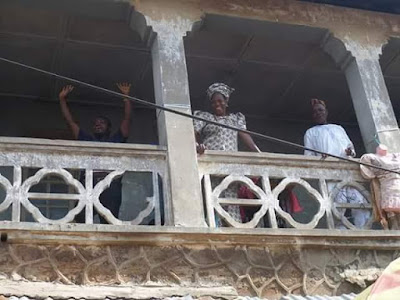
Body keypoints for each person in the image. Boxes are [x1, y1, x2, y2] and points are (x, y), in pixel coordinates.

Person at [59, 83, 132, 223]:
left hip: (110, 186)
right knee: (80, 221)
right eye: (96, 123)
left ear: (109, 128)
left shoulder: (116, 140)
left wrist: (126, 97)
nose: (98, 124)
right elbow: (70, 121)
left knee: (109, 224)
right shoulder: (86, 139)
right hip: (88, 185)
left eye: (102, 123)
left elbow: (127, 119)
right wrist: (62, 99)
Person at [193, 83, 260, 225]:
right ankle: (213, 227)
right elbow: (195, 133)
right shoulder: (205, 117)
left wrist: (258, 152)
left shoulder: (235, 119)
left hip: (231, 167)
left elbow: (244, 135)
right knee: (212, 196)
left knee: (231, 197)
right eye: (213, 102)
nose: (216, 104)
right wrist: (198, 145)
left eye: (220, 101)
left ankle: (233, 228)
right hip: (212, 164)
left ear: (226, 101)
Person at [304, 98, 370, 229]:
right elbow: (308, 157)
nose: (318, 113)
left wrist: (349, 151)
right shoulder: (310, 132)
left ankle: (363, 232)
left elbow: (351, 149)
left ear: (326, 112)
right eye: (315, 112)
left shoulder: (338, 128)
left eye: (320, 110)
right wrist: (319, 158)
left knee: (360, 204)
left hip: (349, 172)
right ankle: (340, 235)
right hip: (330, 175)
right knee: (336, 208)